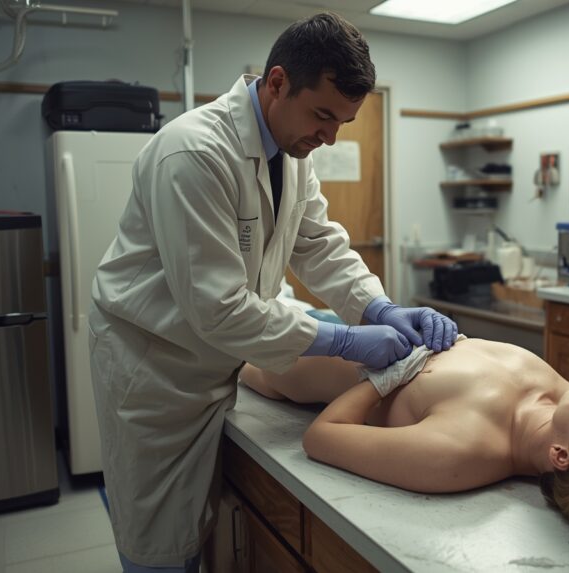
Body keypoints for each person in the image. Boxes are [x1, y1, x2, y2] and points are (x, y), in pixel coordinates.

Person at [88, 12, 458, 572]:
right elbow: (219, 309)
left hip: (214, 358)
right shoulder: (193, 153)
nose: (330, 136)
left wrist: (377, 305)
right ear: (278, 82)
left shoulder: (291, 152)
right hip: (157, 370)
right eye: (323, 116)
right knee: (159, 544)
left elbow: (319, 244)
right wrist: (344, 341)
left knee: (202, 527)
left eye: (344, 122)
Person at [239, 337, 569, 542]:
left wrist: (388, 377)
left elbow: (322, 437)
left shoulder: (465, 450)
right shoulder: (557, 402)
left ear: (561, 455)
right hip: (349, 315)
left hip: (287, 365)